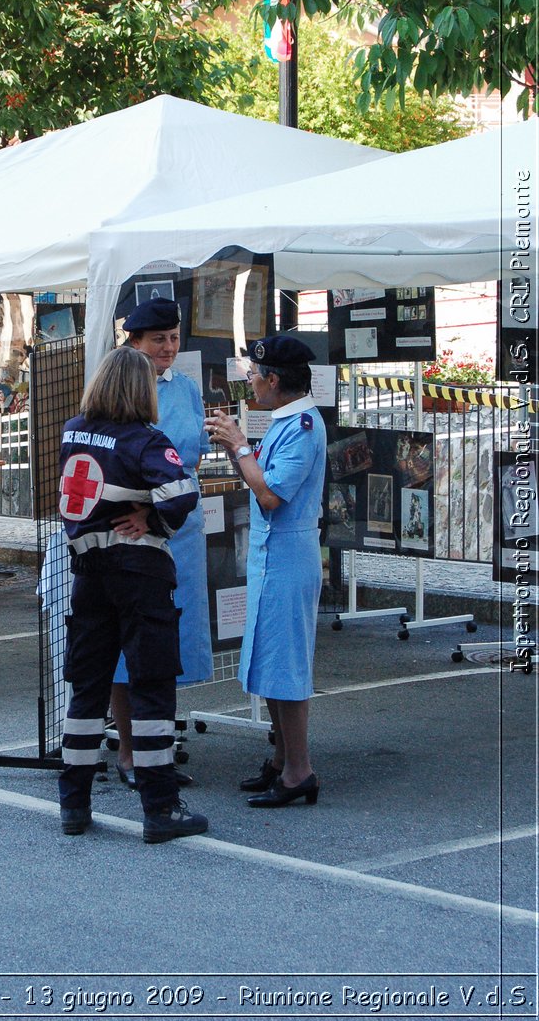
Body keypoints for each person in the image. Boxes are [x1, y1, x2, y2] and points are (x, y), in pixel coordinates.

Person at [57, 345, 208, 843]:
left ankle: (73, 803)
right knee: (151, 686)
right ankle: (161, 808)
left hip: (88, 572)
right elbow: (182, 493)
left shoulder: (73, 430)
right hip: (139, 570)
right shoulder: (145, 440)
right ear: (141, 391)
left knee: (88, 688)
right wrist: (152, 518)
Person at [205, 334, 327, 808]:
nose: (251, 382)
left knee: (287, 668)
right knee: (270, 661)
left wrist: (239, 446)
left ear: (274, 380)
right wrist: (241, 447)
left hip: (288, 558)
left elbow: (271, 494)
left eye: (255, 375)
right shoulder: (284, 421)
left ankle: (300, 771)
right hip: (271, 555)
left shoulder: (301, 426)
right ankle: (281, 760)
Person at [110, 297, 213, 789]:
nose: (168, 348)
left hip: (181, 530)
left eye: (173, 338)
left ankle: (160, 749)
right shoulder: (118, 391)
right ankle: (130, 753)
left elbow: (189, 459)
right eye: (158, 340)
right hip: (134, 529)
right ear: (134, 342)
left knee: (170, 641)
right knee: (132, 644)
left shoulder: (187, 390)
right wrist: (143, 511)